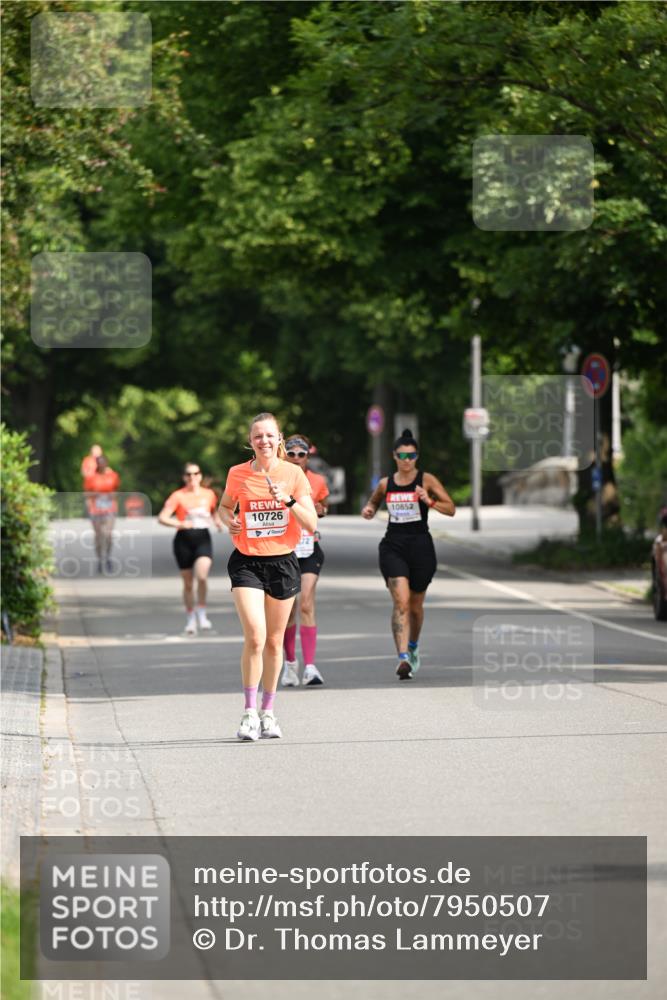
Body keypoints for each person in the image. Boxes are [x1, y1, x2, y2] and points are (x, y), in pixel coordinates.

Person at [218, 412, 317, 741]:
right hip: (246, 561)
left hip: (283, 562)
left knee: (275, 641)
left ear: (279, 439)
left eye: (270, 435)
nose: (264, 441)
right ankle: (248, 712)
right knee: (256, 636)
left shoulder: (293, 474)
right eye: (258, 436)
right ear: (251, 441)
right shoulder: (237, 474)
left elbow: (311, 523)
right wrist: (228, 521)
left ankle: (268, 712)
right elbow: (223, 507)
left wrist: (286, 501)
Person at [361, 428, 455, 679]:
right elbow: (374, 501)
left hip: (421, 546)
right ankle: (402, 659)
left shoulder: (427, 480)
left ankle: (413, 647)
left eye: (411, 456)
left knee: (415, 607)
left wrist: (430, 501)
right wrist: (369, 510)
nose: (406, 461)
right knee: (401, 601)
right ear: (394, 456)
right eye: (402, 456)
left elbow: (451, 508)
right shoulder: (385, 483)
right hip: (393, 545)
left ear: (417, 457)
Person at [281, 434, 329, 687]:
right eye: (292, 454)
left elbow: (323, 504)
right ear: (284, 454)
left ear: (308, 456)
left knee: (307, 604)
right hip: (284, 550)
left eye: (302, 454)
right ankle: (290, 663)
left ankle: (310, 666)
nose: (297, 458)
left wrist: (321, 509)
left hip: (310, 548)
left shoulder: (317, 480)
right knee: (288, 610)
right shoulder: (276, 478)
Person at [158, 463, 222, 635]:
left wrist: (216, 521)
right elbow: (162, 518)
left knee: (202, 576)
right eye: (188, 474)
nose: (192, 477)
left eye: (195, 473)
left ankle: (202, 613)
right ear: (184, 477)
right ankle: (190, 618)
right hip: (183, 540)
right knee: (188, 583)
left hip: (203, 539)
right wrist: (180, 523)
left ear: (200, 476)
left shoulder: (209, 494)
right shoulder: (178, 496)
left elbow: (213, 511)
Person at [83, 454, 121, 574]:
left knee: (108, 534)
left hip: (110, 509)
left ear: (107, 463)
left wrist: (111, 495)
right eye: (99, 463)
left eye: (103, 462)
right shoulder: (91, 478)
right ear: (97, 464)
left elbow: (117, 491)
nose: (101, 464)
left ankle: (108, 557)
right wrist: (96, 495)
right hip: (96, 509)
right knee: (99, 535)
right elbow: (86, 494)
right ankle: (100, 559)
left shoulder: (113, 476)